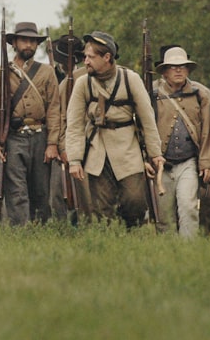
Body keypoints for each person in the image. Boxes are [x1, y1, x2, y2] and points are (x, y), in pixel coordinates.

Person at [65, 31, 163, 228]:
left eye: (91, 57)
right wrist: (75, 160)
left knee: (134, 201)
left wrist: (155, 153)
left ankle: (130, 236)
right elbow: (74, 124)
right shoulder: (83, 83)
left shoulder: (130, 79)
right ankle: (108, 246)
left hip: (127, 149)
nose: (86, 61)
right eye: (85, 57)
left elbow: (147, 120)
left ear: (107, 57)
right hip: (97, 149)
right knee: (101, 209)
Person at [0, 21, 62, 226]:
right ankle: (20, 232)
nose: (28, 45)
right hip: (13, 137)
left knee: (40, 190)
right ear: (14, 43)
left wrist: (52, 143)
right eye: (24, 40)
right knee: (16, 190)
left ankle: (40, 231)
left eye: (32, 41)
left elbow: (54, 109)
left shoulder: (47, 72)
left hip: (41, 136)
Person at [152, 46, 210, 237]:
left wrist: (206, 163)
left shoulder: (201, 93)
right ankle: (168, 257)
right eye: (173, 66)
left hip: (188, 162)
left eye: (182, 66)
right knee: (164, 216)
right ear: (164, 71)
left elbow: (207, 132)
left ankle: (189, 254)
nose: (178, 70)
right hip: (161, 164)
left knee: (188, 208)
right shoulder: (152, 93)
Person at [48, 32, 92, 223]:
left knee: (86, 192)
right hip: (57, 139)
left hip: (85, 137)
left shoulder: (84, 76)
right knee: (57, 192)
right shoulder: (50, 75)